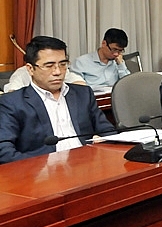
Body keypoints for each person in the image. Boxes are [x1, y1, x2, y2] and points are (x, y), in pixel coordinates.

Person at [0, 36, 114, 164]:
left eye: (63, 64)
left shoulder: (83, 94)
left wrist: (103, 142)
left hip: (86, 164)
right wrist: (40, 169)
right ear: (30, 69)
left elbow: (108, 132)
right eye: (49, 66)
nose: (58, 72)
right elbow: (4, 151)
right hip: (42, 170)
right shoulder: (12, 103)